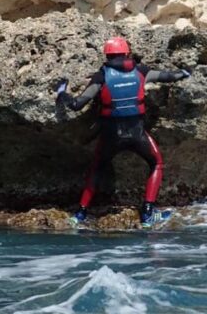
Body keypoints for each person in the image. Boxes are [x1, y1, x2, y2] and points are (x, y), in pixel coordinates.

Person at [56, 36, 190, 228]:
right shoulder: (140, 71)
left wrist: (61, 92)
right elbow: (169, 76)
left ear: (107, 55)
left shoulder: (101, 76)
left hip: (111, 136)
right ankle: (147, 214)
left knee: (97, 168)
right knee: (156, 163)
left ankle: (80, 214)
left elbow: (77, 104)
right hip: (137, 134)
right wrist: (186, 72)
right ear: (127, 53)